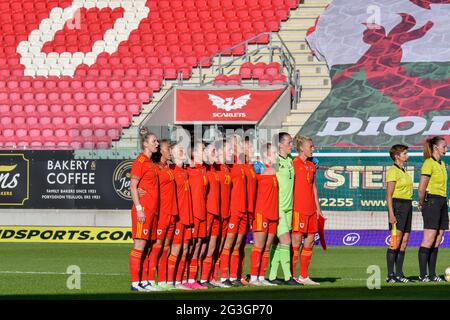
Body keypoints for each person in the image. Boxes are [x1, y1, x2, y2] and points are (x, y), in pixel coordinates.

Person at [129, 128, 160, 291]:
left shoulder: (151, 163)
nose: (157, 143)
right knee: (139, 245)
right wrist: (139, 208)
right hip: (143, 211)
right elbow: (133, 186)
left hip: (152, 211)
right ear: (145, 144)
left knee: (147, 247)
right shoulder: (140, 161)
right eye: (154, 141)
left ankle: (144, 282)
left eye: (157, 141)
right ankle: (135, 283)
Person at [146, 139, 178, 290]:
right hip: (161, 214)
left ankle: (163, 280)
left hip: (171, 213)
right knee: (157, 247)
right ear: (160, 152)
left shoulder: (168, 168)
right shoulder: (155, 169)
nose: (170, 150)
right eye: (168, 148)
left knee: (166, 247)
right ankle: (151, 280)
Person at [291, 135, 322, 286]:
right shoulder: (293, 164)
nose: (313, 149)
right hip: (298, 210)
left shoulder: (311, 165)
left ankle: (304, 275)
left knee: (310, 242)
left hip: (311, 210)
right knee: (295, 243)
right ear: (302, 148)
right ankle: (291, 275)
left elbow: (314, 188)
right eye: (311, 146)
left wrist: (318, 208)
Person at [268, 132, 299, 285]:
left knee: (278, 243)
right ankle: (288, 277)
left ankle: (272, 276)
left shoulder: (291, 161)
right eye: (289, 143)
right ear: (280, 145)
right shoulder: (275, 161)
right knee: (286, 240)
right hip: (278, 208)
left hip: (289, 209)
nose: (291, 145)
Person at [417, 136, 448, 282]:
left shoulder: (441, 164)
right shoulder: (428, 163)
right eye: (444, 146)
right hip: (432, 201)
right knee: (428, 239)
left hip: (442, 201)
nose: (446, 148)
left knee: (438, 239)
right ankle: (423, 275)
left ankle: (432, 274)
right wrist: (421, 202)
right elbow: (422, 186)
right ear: (435, 147)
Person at [248, 143, 278, 286]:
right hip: (261, 212)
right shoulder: (258, 168)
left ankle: (261, 276)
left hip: (273, 213)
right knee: (259, 246)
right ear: (265, 154)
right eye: (273, 152)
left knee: (267, 247)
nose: (276, 155)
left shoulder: (274, 170)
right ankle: (253, 277)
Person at [220, 134, 248, 287]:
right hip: (232, 210)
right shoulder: (227, 164)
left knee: (237, 244)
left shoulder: (243, 162)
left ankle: (233, 276)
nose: (240, 145)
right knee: (228, 244)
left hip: (243, 209)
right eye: (236, 143)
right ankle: (224, 276)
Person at [385, 144, 413, 283]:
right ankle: (390, 275)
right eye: (404, 153)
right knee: (395, 242)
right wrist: (391, 214)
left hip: (407, 205)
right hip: (398, 206)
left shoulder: (404, 171)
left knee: (404, 241)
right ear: (397, 156)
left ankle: (400, 274)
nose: (407, 155)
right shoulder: (392, 171)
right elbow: (389, 195)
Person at [169, 143, 194, 290]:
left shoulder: (186, 171)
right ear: (172, 154)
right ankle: (169, 281)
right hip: (178, 217)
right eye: (180, 150)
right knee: (175, 250)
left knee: (185, 250)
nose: (183, 151)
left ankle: (179, 281)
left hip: (188, 216)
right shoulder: (171, 171)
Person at [186, 141, 209, 289]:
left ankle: (192, 279)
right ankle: (181, 278)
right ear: (194, 153)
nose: (205, 152)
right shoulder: (187, 171)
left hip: (202, 214)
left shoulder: (204, 170)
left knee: (199, 246)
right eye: (202, 150)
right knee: (188, 247)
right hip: (191, 214)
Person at [211, 139, 233, 288]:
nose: (231, 153)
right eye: (228, 149)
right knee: (210, 247)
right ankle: (207, 277)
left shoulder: (226, 168)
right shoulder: (212, 168)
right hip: (214, 213)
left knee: (220, 247)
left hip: (226, 213)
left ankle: (216, 276)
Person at [200, 142, 222, 288]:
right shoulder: (201, 170)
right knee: (201, 248)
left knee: (213, 247)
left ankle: (206, 278)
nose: (216, 153)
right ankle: (192, 278)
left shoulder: (216, 170)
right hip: (206, 213)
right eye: (213, 151)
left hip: (217, 213)